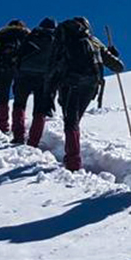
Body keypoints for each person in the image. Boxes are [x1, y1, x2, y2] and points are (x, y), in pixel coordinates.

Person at [49, 17, 124, 172]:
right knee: (74, 121)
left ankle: (72, 161)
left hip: (69, 83)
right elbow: (118, 66)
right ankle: (72, 158)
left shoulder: (63, 41)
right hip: (90, 84)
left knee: (71, 122)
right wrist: (113, 54)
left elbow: (53, 64)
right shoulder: (94, 41)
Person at [11, 18, 60, 146]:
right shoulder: (57, 41)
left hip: (24, 74)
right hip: (44, 78)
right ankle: (33, 141)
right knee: (40, 110)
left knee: (19, 105)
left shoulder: (32, 36)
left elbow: (20, 54)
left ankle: (18, 136)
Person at [0, 19, 29, 134]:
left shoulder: (2, 37)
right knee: (19, 100)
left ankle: (2, 125)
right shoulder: (25, 35)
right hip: (20, 69)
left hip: (3, 68)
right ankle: (18, 126)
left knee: (3, 97)